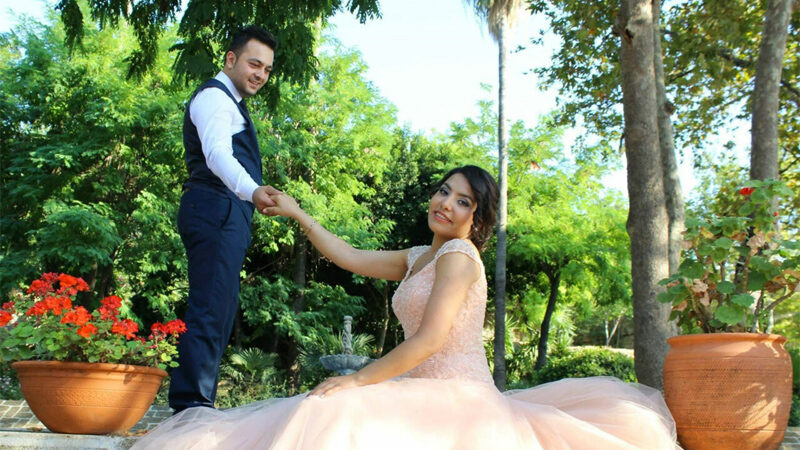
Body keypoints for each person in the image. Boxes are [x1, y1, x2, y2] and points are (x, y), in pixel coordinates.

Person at [139, 165, 678, 449]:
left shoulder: (460, 257)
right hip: (420, 390)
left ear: (477, 218)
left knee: (336, 408)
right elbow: (349, 256)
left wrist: (358, 379)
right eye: (444, 191)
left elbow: (430, 340)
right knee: (321, 410)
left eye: (463, 201)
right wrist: (300, 214)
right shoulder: (421, 255)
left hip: (458, 396)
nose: (446, 203)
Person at [168, 25, 281, 414]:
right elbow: (217, 155)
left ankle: (197, 404)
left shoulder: (231, 102)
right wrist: (252, 190)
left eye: (267, 69)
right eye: (254, 64)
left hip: (224, 211)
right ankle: (191, 408)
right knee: (211, 306)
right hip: (215, 206)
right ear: (231, 59)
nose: (260, 75)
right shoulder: (215, 98)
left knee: (220, 307)